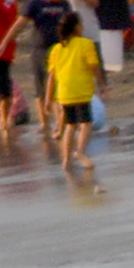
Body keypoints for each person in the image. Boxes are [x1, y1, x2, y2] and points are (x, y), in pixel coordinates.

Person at [46, 11, 104, 166]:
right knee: (86, 123)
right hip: (81, 92)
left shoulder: (57, 49)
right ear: (77, 28)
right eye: (81, 24)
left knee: (70, 126)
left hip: (64, 93)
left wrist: (48, 99)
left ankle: (65, 160)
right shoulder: (86, 44)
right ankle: (80, 152)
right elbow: (94, 67)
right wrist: (102, 85)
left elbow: (51, 77)